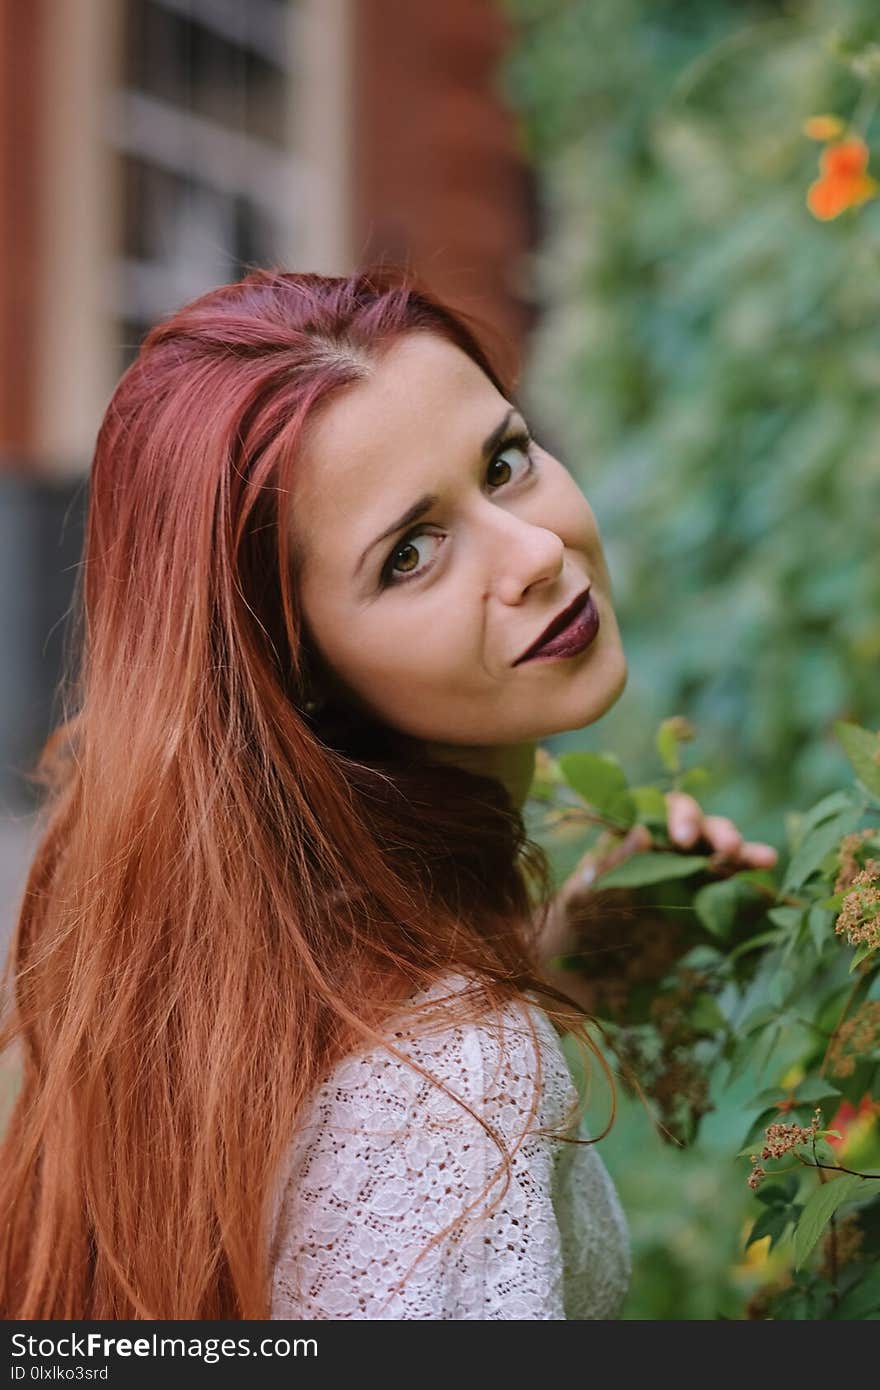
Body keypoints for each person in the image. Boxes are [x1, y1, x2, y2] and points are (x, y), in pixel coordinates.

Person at [0, 267, 777, 1320]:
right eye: (409, 554)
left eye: (505, 462)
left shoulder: (259, 976)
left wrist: (540, 953)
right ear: (295, 668)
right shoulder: (459, 1081)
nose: (538, 551)